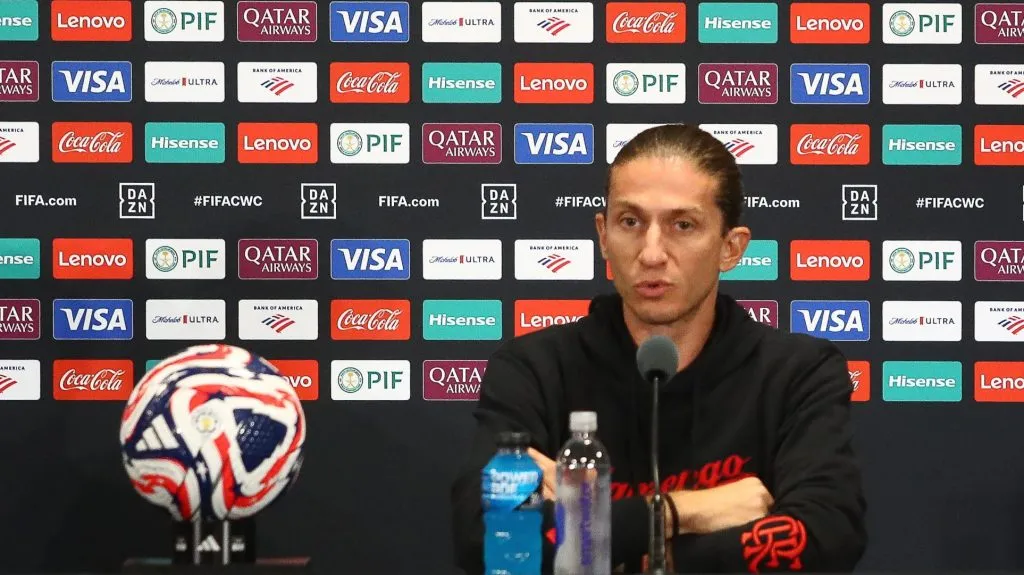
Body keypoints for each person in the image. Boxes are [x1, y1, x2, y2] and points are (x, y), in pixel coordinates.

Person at [450, 124, 867, 574]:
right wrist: (681, 512)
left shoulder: (798, 373)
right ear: (603, 234)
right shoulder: (533, 370)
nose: (651, 253)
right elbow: (487, 540)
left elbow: (828, 535)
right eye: (630, 222)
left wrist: (593, 534)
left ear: (731, 248)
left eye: (682, 225)